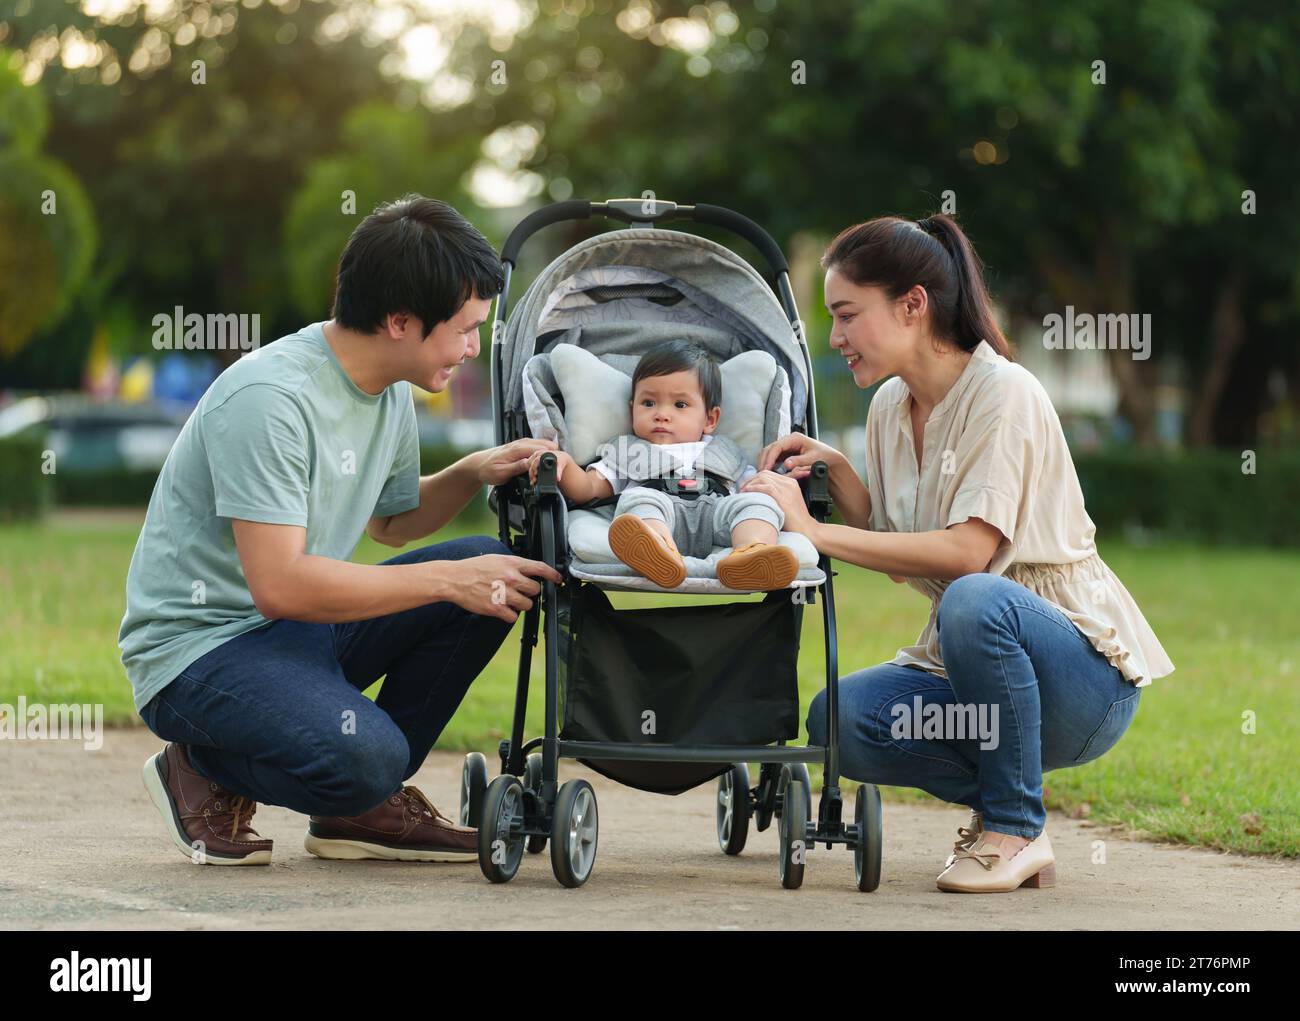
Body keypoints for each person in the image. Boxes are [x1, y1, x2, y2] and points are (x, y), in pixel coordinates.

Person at [119, 195, 562, 866]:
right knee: (372, 751)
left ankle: (356, 805)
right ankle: (202, 766)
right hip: (200, 653)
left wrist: (473, 471)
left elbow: (390, 522)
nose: (473, 348)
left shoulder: (389, 388)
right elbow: (279, 585)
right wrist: (447, 580)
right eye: (466, 329)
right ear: (399, 321)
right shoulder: (269, 400)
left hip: (292, 634)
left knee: (492, 566)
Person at [741, 213, 1174, 893]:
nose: (837, 337)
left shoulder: (1004, 392)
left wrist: (813, 531)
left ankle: (1010, 823)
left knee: (973, 599)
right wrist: (840, 475)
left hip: (1080, 680)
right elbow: (900, 552)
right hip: (977, 671)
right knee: (840, 719)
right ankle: (1016, 809)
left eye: (848, 314)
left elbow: (969, 554)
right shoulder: (890, 406)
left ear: (913, 305)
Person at [526, 340, 800, 591]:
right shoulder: (626, 450)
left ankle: (752, 553)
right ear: (632, 408)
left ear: (710, 419)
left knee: (756, 504)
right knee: (637, 499)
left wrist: (766, 495)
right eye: (649, 403)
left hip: (717, 514)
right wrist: (562, 464)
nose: (661, 414)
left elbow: (755, 487)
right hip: (659, 512)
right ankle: (657, 552)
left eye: (680, 404)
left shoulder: (727, 451)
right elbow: (588, 489)